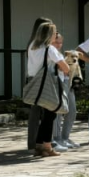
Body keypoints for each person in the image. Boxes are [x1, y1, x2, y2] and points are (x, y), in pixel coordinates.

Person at [26, 21, 70, 158]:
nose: (56, 35)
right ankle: (47, 146)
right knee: (50, 116)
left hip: (34, 82)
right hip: (47, 84)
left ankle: (39, 145)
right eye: (54, 32)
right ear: (49, 34)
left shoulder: (32, 46)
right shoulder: (50, 49)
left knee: (43, 116)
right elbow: (65, 68)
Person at [51, 33, 83, 151]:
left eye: (60, 42)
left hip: (68, 84)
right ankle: (56, 138)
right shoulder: (50, 52)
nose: (58, 45)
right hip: (57, 84)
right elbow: (62, 68)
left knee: (72, 110)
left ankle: (65, 137)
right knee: (59, 112)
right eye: (56, 42)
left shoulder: (58, 54)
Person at [26, 17, 52, 151]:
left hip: (32, 78)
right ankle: (37, 144)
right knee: (42, 112)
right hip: (40, 79)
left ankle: (35, 143)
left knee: (36, 113)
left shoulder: (32, 44)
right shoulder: (42, 46)